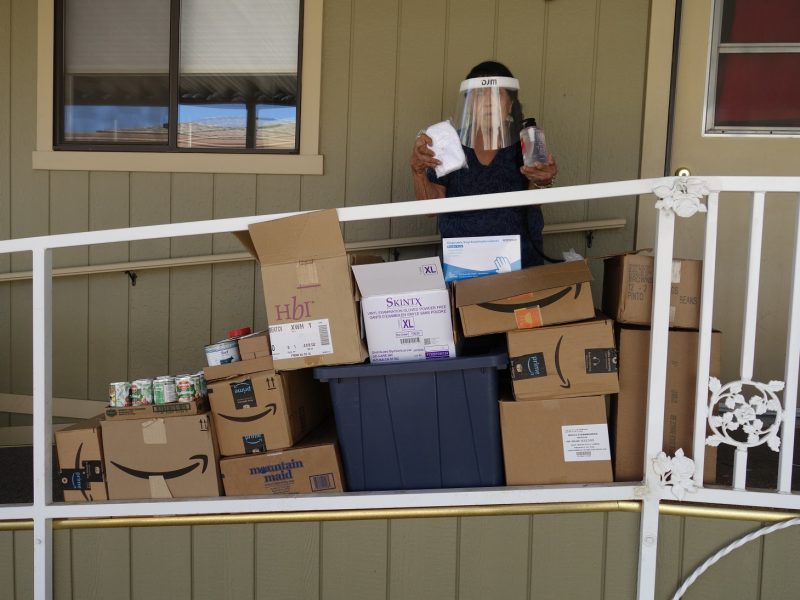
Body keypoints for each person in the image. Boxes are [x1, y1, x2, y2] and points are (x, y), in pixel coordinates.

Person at [410, 61, 558, 267]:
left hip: (521, 265)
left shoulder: (526, 141)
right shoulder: (449, 142)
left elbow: (534, 197)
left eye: (497, 94)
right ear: (469, 104)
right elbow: (430, 208)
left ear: (510, 104)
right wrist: (418, 172)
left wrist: (543, 179)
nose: (488, 102)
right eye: (479, 94)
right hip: (464, 268)